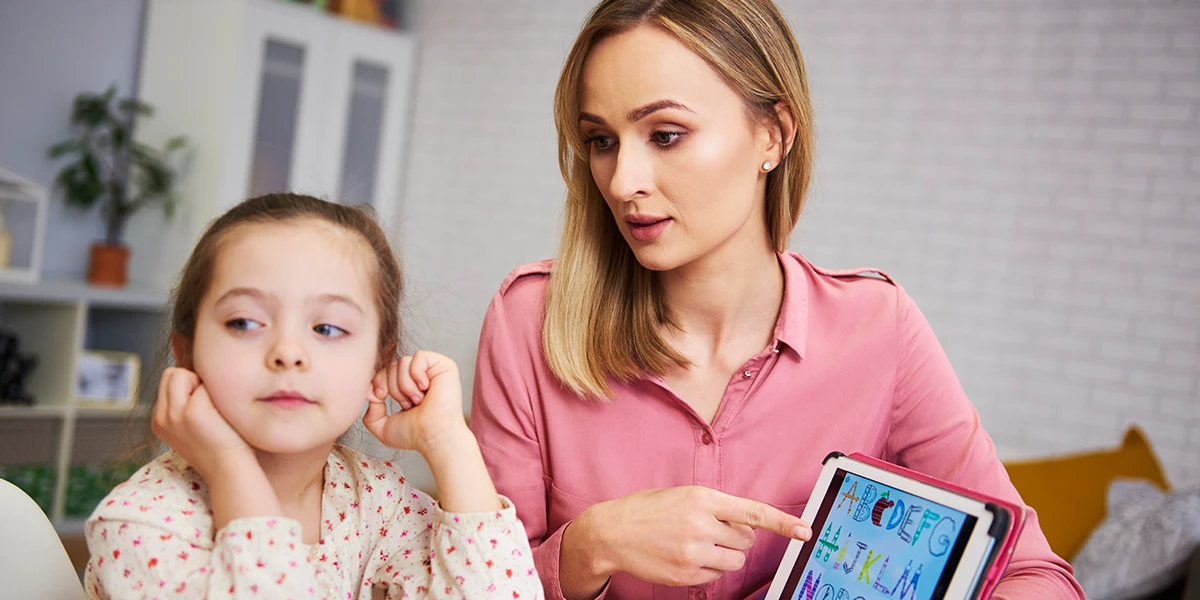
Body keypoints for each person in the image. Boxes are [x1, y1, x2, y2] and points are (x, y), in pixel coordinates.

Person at [468, 1, 1085, 599]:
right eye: (601, 141)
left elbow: (1038, 576)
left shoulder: (878, 328)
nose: (624, 180)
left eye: (666, 134)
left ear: (773, 134)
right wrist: (591, 546)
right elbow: (469, 585)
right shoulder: (529, 320)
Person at [85, 193, 542, 599]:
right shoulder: (143, 524)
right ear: (186, 354)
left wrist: (449, 441)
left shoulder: (375, 501)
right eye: (244, 322)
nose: (288, 353)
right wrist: (231, 467)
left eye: (327, 328)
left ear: (376, 365)